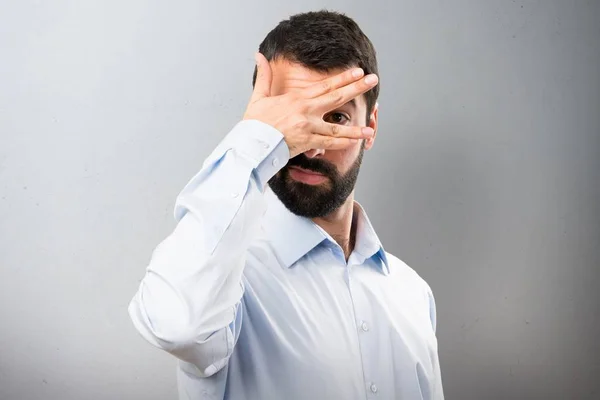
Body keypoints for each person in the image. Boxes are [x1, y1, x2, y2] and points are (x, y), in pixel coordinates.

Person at [129, 10, 444, 400]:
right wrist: (254, 142)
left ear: (371, 127)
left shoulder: (412, 293)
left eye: (337, 118)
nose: (312, 145)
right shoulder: (226, 279)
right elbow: (174, 325)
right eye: (293, 120)